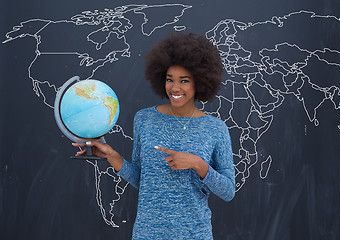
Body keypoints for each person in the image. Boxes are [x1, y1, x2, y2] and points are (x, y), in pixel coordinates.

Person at [73, 32, 235, 239]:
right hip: (146, 234)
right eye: (170, 80)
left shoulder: (216, 129)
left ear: (200, 82)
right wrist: (113, 157)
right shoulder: (144, 119)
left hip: (194, 234)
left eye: (184, 81)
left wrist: (198, 164)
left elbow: (228, 191)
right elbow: (144, 180)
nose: (175, 88)